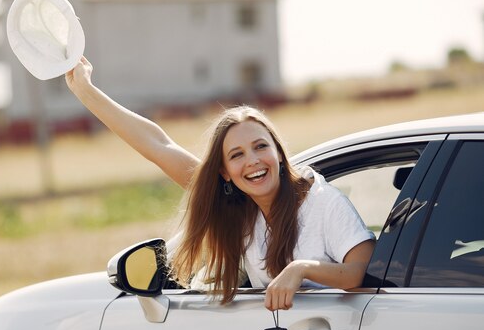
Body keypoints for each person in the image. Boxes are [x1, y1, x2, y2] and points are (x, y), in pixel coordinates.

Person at [65, 57, 375, 311]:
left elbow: (361, 271)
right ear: (225, 172)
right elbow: (159, 146)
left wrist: (300, 269)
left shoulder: (322, 201)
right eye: (237, 155)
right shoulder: (240, 211)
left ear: (279, 153)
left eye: (261, 147)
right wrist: (85, 91)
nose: (252, 160)